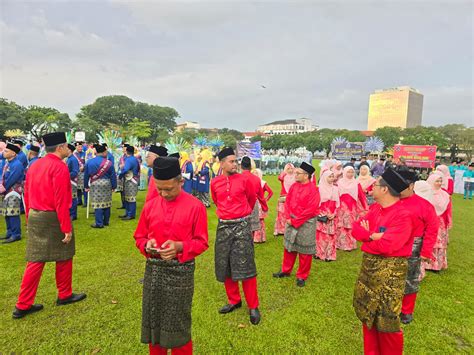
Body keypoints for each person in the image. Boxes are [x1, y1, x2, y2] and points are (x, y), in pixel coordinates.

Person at [133, 157, 208, 355]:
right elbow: (139, 236)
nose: (164, 194)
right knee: (153, 320)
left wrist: (180, 247)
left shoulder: (195, 206)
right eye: (159, 189)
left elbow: (202, 242)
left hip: (180, 273)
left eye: (169, 189)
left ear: (180, 182)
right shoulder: (150, 206)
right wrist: (146, 245)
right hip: (154, 271)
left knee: (178, 323)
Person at [12, 132, 86, 319]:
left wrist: (29, 216)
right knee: (65, 255)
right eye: (67, 146)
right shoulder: (59, 167)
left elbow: (26, 193)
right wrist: (67, 227)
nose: (69, 149)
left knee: (35, 260)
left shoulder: (35, 164)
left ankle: (23, 304)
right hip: (53, 216)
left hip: (36, 214)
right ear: (60, 147)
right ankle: (64, 294)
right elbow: (61, 201)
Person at [351, 168, 413, 355]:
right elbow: (355, 229)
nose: (371, 187)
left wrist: (368, 237)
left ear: (385, 189)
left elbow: (388, 246)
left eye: (376, 185)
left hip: (390, 275)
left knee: (387, 322)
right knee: (367, 316)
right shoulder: (375, 208)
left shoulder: (403, 215)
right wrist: (374, 236)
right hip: (369, 271)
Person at [211, 147, 261, 325]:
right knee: (225, 264)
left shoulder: (244, 179)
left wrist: (240, 214)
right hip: (223, 226)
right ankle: (234, 300)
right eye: (231, 161)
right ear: (222, 163)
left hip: (241, 225)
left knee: (246, 264)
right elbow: (216, 200)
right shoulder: (215, 182)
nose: (235, 164)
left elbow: (251, 198)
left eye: (236, 161)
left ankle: (253, 305)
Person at [398, 172, 439, 325]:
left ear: (411, 186)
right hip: (391, 245)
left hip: (413, 247)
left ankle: (406, 311)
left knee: (410, 279)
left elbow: (432, 229)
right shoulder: (392, 201)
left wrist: (426, 251)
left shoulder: (424, 205)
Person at [273, 162, 320, 287]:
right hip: (291, 220)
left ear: (306, 175)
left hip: (306, 223)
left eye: (298, 173)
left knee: (304, 251)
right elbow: (287, 202)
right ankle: (285, 270)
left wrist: (295, 221)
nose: (295, 174)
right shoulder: (294, 186)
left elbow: (311, 210)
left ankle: (302, 275)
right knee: (289, 247)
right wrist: (288, 217)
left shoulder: (313, 189)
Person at [420, 172, 451, 275]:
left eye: (441, 181)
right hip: (429, 221)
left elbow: (448, 209)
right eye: (437, 181)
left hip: (441, 222)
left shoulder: (445, 195)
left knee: (440, 243)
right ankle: (428, 264)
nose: (439, 183)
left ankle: (438, 264)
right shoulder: (426, 193)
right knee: (430, 241)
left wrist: (449, 221)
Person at [84, 144, 117, 228]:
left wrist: (86, 186)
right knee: (107, 203)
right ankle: (106, 221)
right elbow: (113, 176)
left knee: (97, 203)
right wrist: (114, 186)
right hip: (106, 184)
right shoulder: (108, 163)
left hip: (95, 184)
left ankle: (99, 223)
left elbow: (86, 175)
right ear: (103, 152)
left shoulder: (89, 162)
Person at [336, 166, 368, 251]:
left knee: (350, 226)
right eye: (348, 172)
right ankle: (339, 243)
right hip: (341, 207)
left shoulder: (356, 183)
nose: (350, 174)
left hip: (352, 208)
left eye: (352, 172)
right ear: (344, 172)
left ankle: (349, 245)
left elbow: (361, 196)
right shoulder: (339, 182)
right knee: (340, 225)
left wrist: (365, 207)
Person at [0, 143, 25, 243]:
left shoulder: (17, 164)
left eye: (6, 151)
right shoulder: (8, 162)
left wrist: (3, 189)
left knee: (12, 212)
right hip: (6, 190)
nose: (3, 153)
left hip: (13, 191)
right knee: (7, 212)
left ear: (13, 153)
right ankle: (9, 232)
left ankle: (16, 234)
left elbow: (12, 179)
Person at [241, 156, 268, 242]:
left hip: (240, 206)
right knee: (251, 232)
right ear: (250, 166)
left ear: (241, 166)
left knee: (240, 231)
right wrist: (265, 207)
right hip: (253, 206)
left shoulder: (237, 178)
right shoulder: (256, 179)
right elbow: (261, 196)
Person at [316, 170, 340, 261]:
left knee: (330, 235)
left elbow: (338, 203)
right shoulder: (319, 188)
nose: (332, 178)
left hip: (332, 214)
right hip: (321, 215)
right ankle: (319, 253)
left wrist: (333, 214)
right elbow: (315, 203)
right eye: (330, 176)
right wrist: (321, 213)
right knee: (320, 235)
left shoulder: (335, 188)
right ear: (324, 177)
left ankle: (329, 255)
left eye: (333, 176)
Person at [252, 168, 273, 243]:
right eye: (253, 173)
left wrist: (265, 199)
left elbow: (270, 192)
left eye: (256, 173)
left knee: (260, 220)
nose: (254, 174)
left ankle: (260, 237)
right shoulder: (251, 181)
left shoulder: (262, 183)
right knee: (253, 219)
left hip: (259, 204)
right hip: (253, 203)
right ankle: (254, 237)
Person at [274, 163, 295, 236]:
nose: (290, 170)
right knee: (281, 214)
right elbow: (279, 177)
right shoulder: (283, 176)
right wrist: (285, 172)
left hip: (292, 198)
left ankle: (288, 228)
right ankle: (280, 229)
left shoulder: (295, 177)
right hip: (283, 197)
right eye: (288, 169)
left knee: (290, 214)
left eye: (291, 168)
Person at [119, 145, 140, 220]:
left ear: (127, 151)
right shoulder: (134, 159)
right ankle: (128, 213)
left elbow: (125, 169)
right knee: (127, 197)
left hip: (130, 180)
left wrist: (120, 175)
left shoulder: (129, 160)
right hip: (132, 179)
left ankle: (130, 214)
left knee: (130, 198)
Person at [66, 144, 80, 221]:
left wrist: (65, 175)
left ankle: (73, 214)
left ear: (69, 150)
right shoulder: (69, 159)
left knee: (73, 198)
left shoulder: (73, 159)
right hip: (68, 181)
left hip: (72, 181)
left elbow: (75, 172)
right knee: (69, 198)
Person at [74, 142, 87, 206]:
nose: (80, 148)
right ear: (76, 147)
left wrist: (83, 166)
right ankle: (79, 201)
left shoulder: (85, 154)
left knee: (84, 188)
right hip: (77, 173)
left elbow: (87, 161)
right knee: (78, 188)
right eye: (78, 147)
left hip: (83, 172)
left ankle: (85, 202)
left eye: (81, 146)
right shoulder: (74, 154)